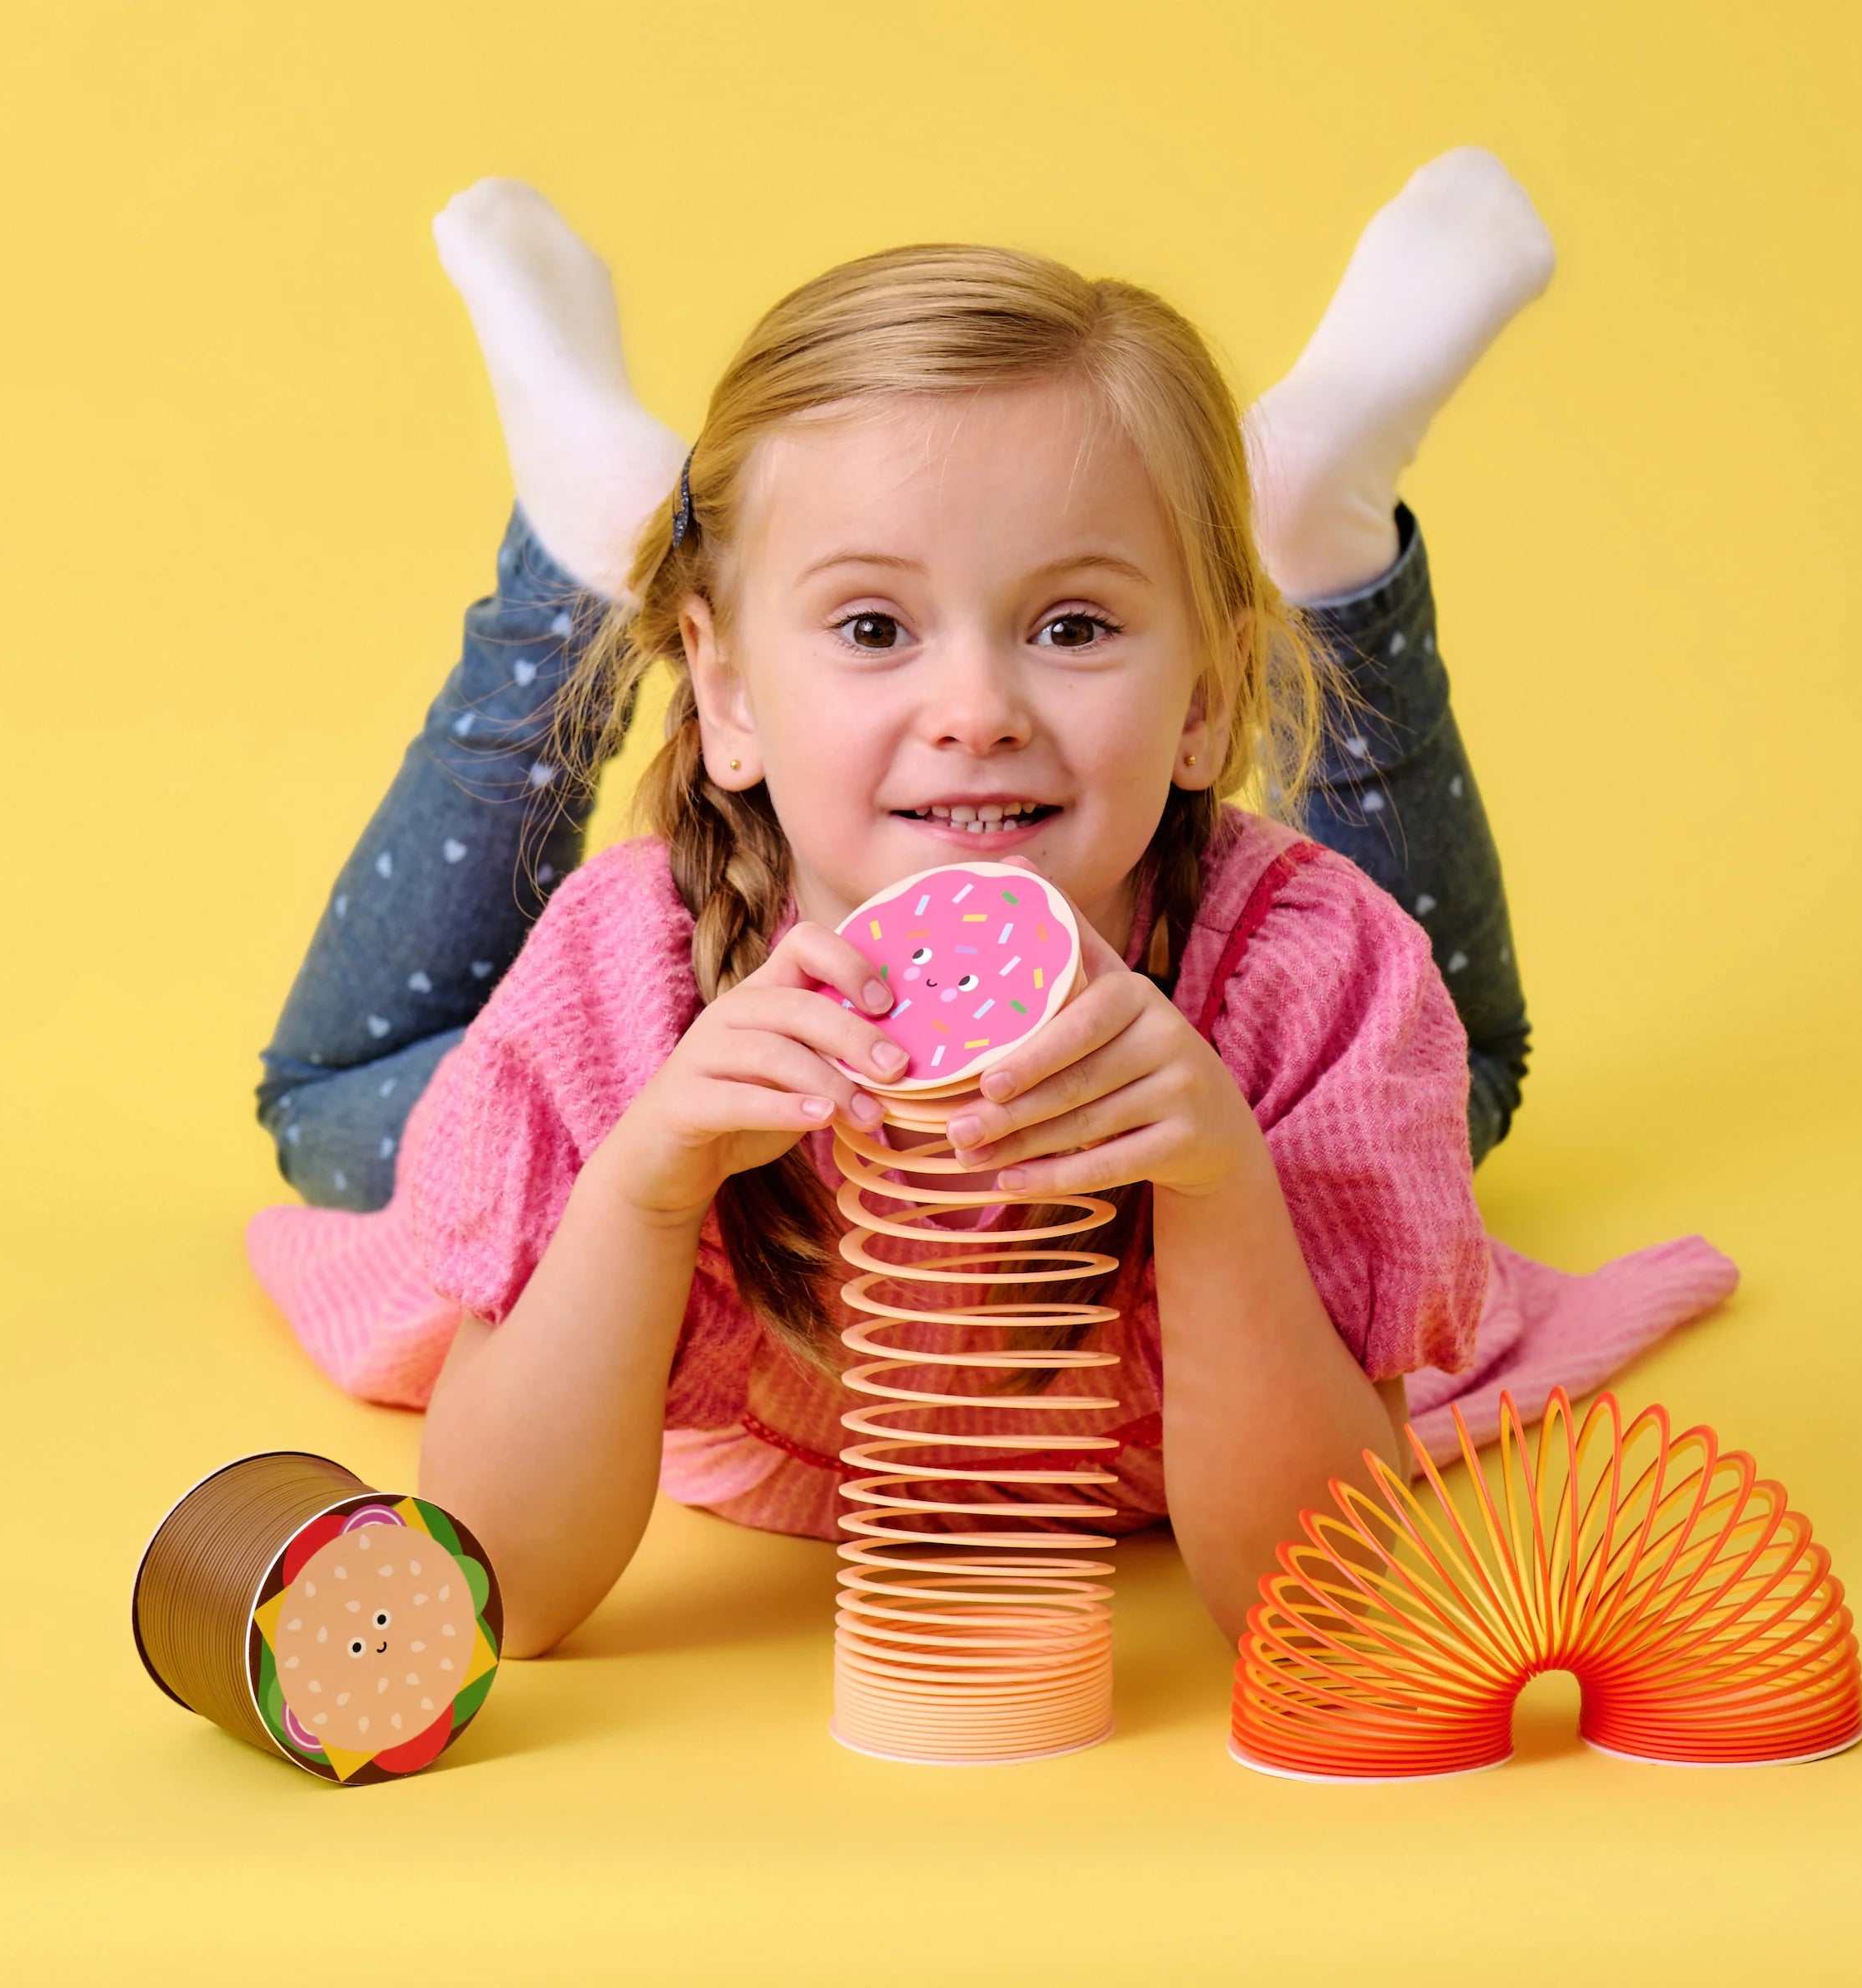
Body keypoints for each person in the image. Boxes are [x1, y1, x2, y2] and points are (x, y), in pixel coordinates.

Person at [247, 155, 1734, 1657]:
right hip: (669, 1056)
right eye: (876, 626)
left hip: (1282, 1039)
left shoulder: (1317, 984)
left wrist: (1222, 1187)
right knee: (334, 1110)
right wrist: (643, 1185)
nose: (976, 709)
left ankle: (1313, 540)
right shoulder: (627, 984)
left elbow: (1313, 1609)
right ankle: (578, 548)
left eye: (1075, 624)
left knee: (1450, 1084)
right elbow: (502, 1586)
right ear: (724, 695)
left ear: (1208, 702)